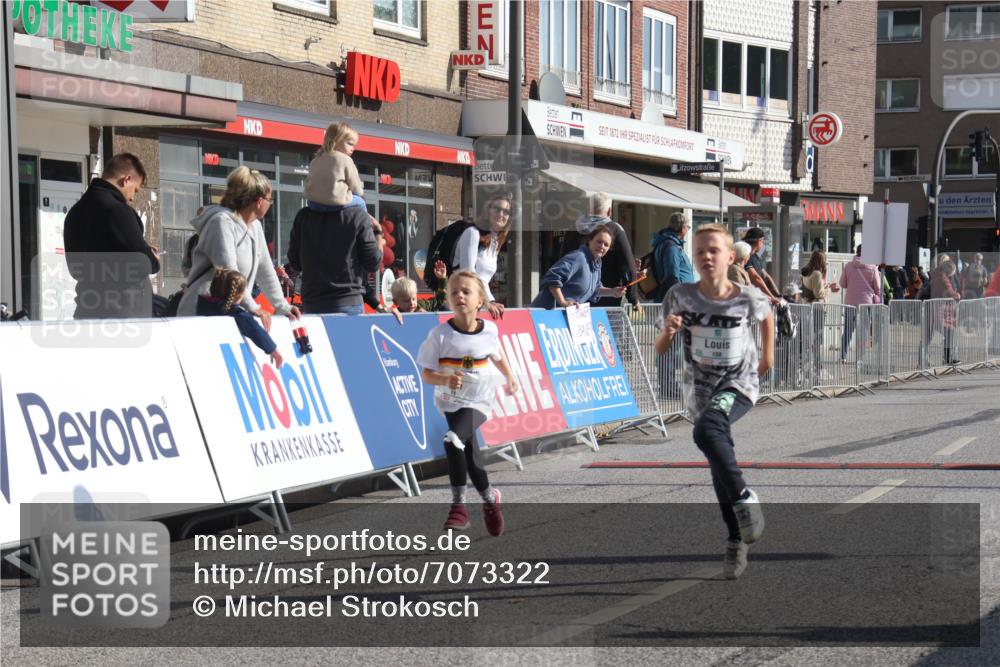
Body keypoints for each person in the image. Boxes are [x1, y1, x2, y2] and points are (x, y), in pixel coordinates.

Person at [654, 224, 773, 580]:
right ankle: (737, 538)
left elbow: (768, 316)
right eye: (700, 251)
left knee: (707, 432)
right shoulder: (679, 295)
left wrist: (766, 357)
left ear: (730, 257)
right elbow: (661, 349)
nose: (707, 256)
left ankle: (746, 499)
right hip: (700, 390)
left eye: (714, 250)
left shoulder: (748, 297)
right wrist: (668, 333)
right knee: (715, 455)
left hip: (738, 384)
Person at [417, 270, 519, 535]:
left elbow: (497, 356)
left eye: (466, 291)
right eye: (454, 292)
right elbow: (426, 374)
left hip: (481, 398)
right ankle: (490, 500)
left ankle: (459, 507)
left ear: (480, 300)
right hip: (451, 401)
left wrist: (510, 377)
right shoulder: (440, 335)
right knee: (470, 456)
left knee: (453, 440)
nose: (460, 296)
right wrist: (445, 378)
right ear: (449, 300)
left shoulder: (489, 331)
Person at [178, 167, 300, 327]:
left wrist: (283, 306)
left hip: (229, 311)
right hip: (201, 312)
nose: (270, 204)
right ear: (258, 201)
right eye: (270, 200)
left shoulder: (255, 226)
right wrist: (254, 308)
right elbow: (229, 272)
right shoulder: (221, 223)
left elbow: (266, 271)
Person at [63, 152, 160, 319]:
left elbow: (75, 268)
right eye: (135, 190)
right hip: (122, 312)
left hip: (87, 308)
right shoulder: (117, 210)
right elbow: (142, 261)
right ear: (126, 179)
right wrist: (151, 258)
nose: (131, 198)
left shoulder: (75, 212)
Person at [287, 202, 384, 315]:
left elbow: (295, 263)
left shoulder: (303, 216)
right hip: (348, 300)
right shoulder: (358, 215)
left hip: (313, 301)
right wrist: (378, 232)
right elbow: (373, 263)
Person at [560, 192, 641, 308]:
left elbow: (562, 261)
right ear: (609, 211)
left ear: (588, 208)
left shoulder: (573, 229)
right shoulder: (614, 230)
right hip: (607, 299)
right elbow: (628, 266)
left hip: (575, 298)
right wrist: (633, 297)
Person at [197, 268, 283, 368]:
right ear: (240, 296)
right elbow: (252, 327)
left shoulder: (200, 303)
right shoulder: (235, 313)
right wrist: (272, 349)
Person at [531, 226, 627, 308]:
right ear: (590, 240)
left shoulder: (597, 263)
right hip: (544, 315)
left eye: (606, 245)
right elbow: (552, 278)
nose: (602, 246)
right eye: (599, 241)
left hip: (565, 317)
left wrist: (612, 291)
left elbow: (594, 289)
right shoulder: (578, 257)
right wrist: (563, 302)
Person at [454, 195, 513, 319]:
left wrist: (489, 301)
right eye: (497, 209)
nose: (501, 214)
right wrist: (487, 302)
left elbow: (483, 280)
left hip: (476, 304)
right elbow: (468, 273)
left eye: (506, 211)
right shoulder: (472, 233)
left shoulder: (495, 241)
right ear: (487, 212)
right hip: (458, 304)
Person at [303, 122, 366, 210]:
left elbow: (308, 181)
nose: (353, 149)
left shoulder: (315, 160)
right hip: (335, 203)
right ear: (336, 141)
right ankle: (367, 222)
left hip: (313, 203)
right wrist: (362, 195)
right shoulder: (346, 160)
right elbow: (355, 186)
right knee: (361, 202)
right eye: (350, 144)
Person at [838, 244, 881, 362]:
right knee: (864, 330)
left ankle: (843, 355)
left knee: (848, 329)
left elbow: (842, 284)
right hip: (865, 304)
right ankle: (860, 358)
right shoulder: (873, 268)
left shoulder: (848, 266)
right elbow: (878, 287)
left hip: (850, 302)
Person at [649, 212, 693, 301]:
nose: (688, 230)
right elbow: (671, 277)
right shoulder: (671, 247)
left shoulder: (667, 243)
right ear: (682, 228)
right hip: (676, 300)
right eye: (688, 227)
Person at [931, 260, 961, 365]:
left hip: (933, 309)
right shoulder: (943, 278)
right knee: (949, 334)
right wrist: (957, 296)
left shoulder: (936, 275)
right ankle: (947, 359)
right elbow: (951, 293)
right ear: (950, 270)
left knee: (928, 336)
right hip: (941, 310)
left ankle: (923, 360)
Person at [741, 228, 782, 305]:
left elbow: (766, 277)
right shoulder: (746, 256)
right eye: (763, 241)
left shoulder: (756, 257)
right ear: (760, 241)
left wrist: (779, 295)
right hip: (749, 302)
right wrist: (772, 297)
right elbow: (756, 278)